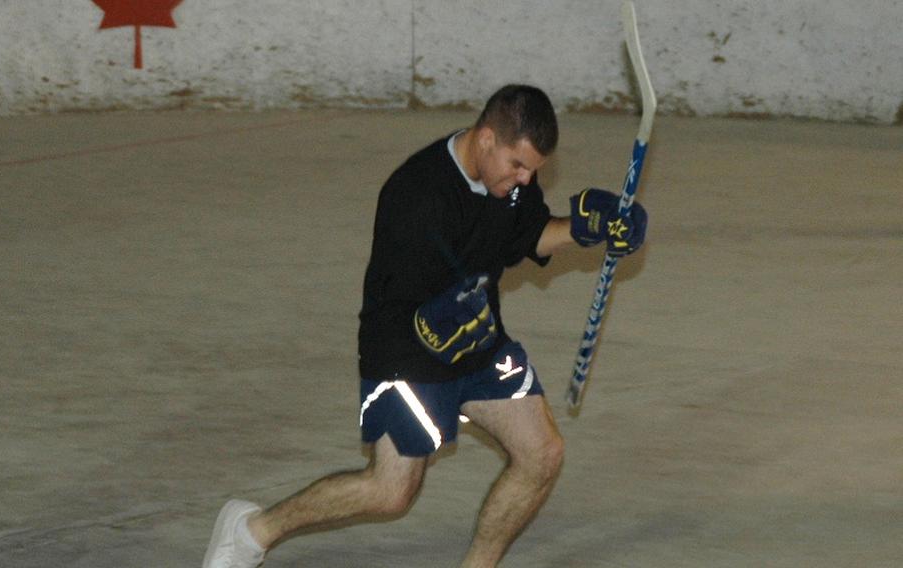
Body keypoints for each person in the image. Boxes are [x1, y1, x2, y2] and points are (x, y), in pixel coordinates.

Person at [203, 84, 647, 568]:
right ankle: (251, 531)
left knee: (542, 454)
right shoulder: (416, 193)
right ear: (485, 140)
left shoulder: (511, 184)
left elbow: (523, 236)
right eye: (517, 166)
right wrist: (439, 330)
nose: (524, 179)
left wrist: (587, 229)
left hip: (475, 336)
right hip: (405, 349)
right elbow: (420, 293)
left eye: (533, 170)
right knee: (391, 492)